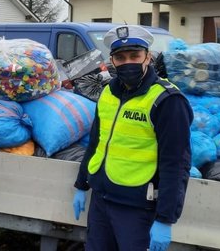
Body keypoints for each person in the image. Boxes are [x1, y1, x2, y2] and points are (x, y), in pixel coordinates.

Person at [72, 25, 193, 251]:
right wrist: (81, 184)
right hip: (101, 201)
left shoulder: (167, 100)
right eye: (120, 57)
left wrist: (165, 219)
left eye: (134, 55)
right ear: (113, 61)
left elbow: (176, 164)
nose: (128, 62)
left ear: (147, 57)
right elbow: (96, 142)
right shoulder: (107, 92)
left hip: (137, 210)